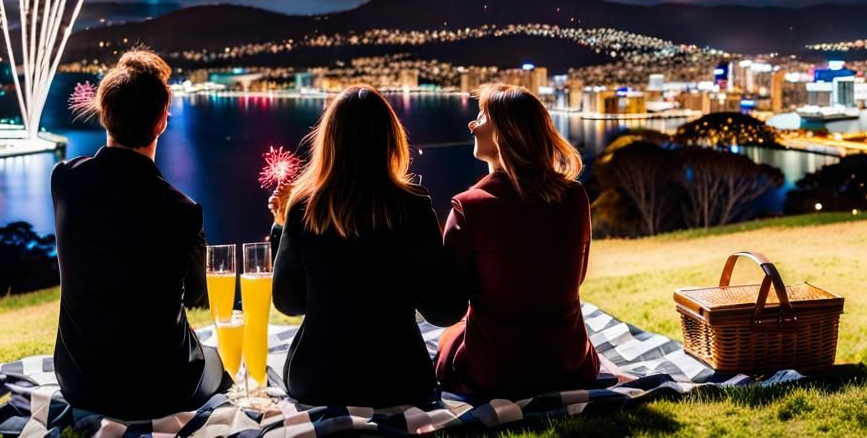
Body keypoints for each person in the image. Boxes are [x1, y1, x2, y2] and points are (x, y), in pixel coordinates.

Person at [51, 50, 228, 419]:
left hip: (78, 380)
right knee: (216, 358)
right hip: (158, 387)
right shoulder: (180, 209)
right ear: (161, 122)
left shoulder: (65, 179)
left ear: (105, 113)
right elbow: (198, 292)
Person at [268, 85, 465, 407]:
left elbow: (289, 303)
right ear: (391, 140)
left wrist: (280, 227)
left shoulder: (305, 208)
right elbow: (444, 311)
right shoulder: (414, 208)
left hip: (316, 379)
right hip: (401, 379)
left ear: (328, 141)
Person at [434, 84, 600, 400]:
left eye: (481, 116)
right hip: (568, 363)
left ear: (503, 133)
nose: (472, 124)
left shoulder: (469, 207)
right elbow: (575, 278)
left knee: (448, 339)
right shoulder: (575, 197)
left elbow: (451, 303)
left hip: (494, 373)